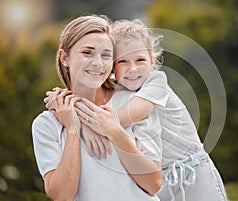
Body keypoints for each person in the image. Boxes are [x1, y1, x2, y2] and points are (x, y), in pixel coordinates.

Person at [45, 18, 228, 201]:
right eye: (122, 61)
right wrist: (65, 99)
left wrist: (77, 119)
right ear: (112, 68)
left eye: (140, 59)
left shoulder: (157, 83)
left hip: (194, 174)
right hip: (163, 179)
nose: (132, 69)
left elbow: (120, 118)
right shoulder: (124, 88)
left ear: (152, 60)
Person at [32, 15, 162, 201]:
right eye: (87, 52)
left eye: (106, 55)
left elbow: (153, 183)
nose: (98, 63)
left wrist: (114, 131)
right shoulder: (47, 123)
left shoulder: (133, 103)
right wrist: (73, 129)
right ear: (64, 58)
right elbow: (62, 195)